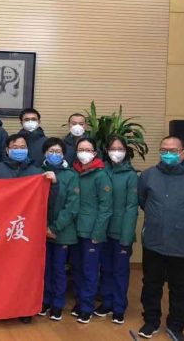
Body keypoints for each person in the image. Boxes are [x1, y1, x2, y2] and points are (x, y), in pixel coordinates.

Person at [137, 136, 184, 341]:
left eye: (173, 150)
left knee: (180, 287)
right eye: (163, 150)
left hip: (183, 243)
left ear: (182, 152)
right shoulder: (148, 176)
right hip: (154, 241)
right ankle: (151, 321)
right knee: (151, 284)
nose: (168, 154)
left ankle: (176, 326)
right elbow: (142, 200)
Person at [0, 133, 46, 324]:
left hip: (26, 230)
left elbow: (46, 200)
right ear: (7, 150)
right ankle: (0, 307)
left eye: (22, 147)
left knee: (24, 270)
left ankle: (24, 308)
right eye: (15, 147)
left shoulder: (37, 172)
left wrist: (53, 182)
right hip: (1, 229)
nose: (19, 150)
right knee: (0, 270)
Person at [95, 135, 138, 325]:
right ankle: (107, 303)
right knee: (106, 269)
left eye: (120, 149)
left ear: (126, 151)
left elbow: (131, 207)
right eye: (113, 149)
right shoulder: (101, 171)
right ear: (107, 151)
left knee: (120, 271)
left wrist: (126, 236)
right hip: (103, 230)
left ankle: (119, 307)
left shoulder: (130, 175)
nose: (116, 152)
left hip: (121, 232)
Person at [70, 137, 113, 324]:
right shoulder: (73, 172)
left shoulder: (101, 175)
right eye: (81, 149)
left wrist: (98, 233)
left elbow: (106, 208)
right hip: (74, 230)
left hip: (92, 232)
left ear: (94, 153)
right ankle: (80, 302)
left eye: (88, 150)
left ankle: (87, 307)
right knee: (77, 268)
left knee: (89, 270)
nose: (84, 153)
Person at [38, 137, 79, 322]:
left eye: (58, 152)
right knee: (44, 269)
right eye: (51, 151)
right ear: (44, 153)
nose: (54, 154)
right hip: (40, 231)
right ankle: (44, 301)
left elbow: (72, 206)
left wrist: (54, 227)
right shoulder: (38, 172)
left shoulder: (71, 176)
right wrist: (42, 227)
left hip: (62, 232)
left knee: (59, 269)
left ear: (64, 154)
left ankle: (57, 304)